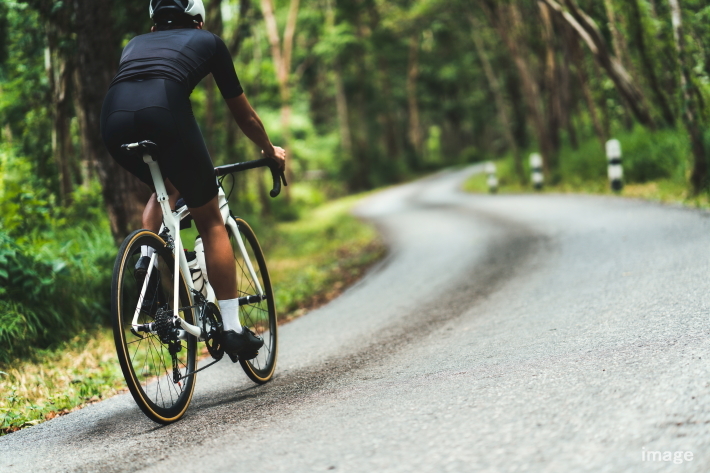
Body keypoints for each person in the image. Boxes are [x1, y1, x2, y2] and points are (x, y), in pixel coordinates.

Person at [101, 0, 285, 359]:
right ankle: (232, 330)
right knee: (211, 219)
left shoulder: (134, 44)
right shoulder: (209, 42)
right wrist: (269, 150)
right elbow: (245, 117)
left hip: (112, 120)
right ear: (198, 23)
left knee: (166, 187)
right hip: (165, 111)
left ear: (153, 27)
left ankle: (148, 255)